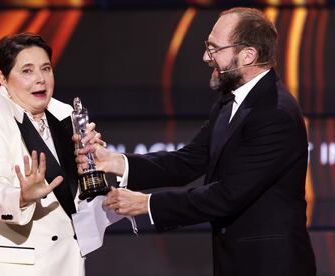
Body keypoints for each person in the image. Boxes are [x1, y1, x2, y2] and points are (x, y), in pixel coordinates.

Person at [76, 7, 316, 276]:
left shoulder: (275, 113)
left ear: (248, 55)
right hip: (235, 261)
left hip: (271, 266)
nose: (205, 57)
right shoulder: (231, 101)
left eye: (214, 49)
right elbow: (189, 160)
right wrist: (116, 162)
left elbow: (228, 196)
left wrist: (147, 204)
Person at [0, 33, 84, 276]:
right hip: (10, 266)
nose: (40, 79)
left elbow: (77, 192)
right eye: (27, 71)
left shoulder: (65, 113)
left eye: (46, 68)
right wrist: (21, 197)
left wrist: (95, 164)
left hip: (65, 263)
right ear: (2, 77)